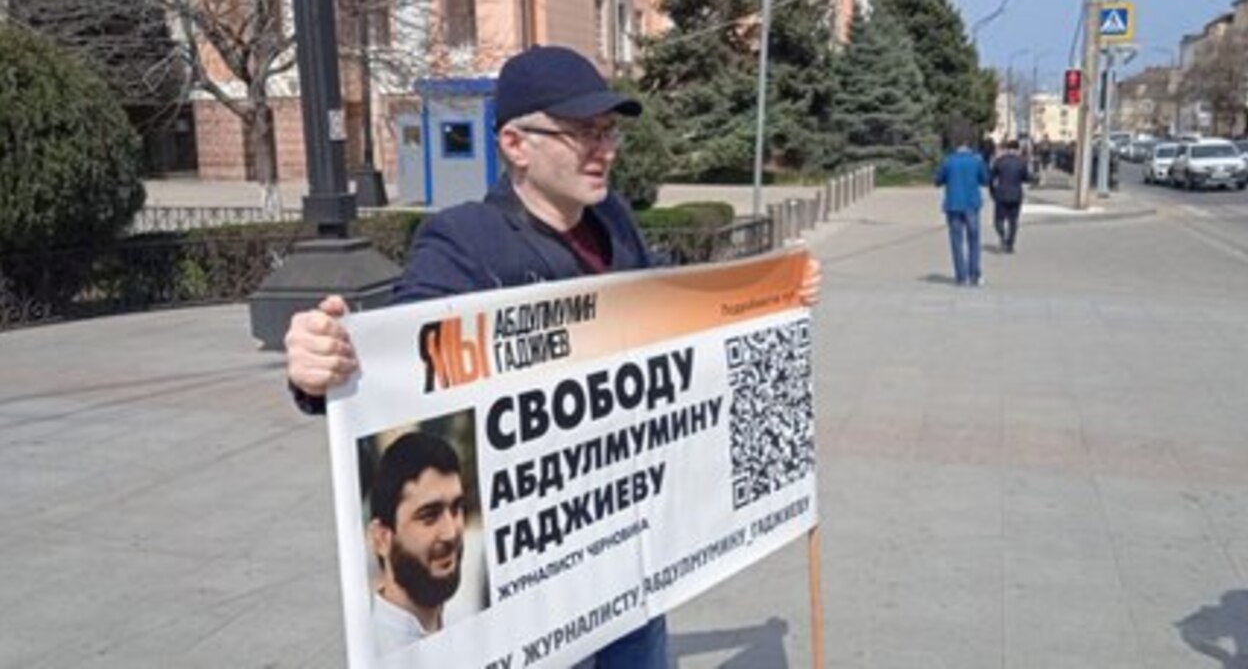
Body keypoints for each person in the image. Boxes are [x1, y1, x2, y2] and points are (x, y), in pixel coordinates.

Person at [284, 45, 823, 668]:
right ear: (516, 144)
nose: (606, 149)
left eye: (609, 130)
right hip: (543, 594)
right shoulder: (464, 241)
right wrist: (321, 365)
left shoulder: (613, 220)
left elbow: (670, 312)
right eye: (581, 133)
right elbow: (406, 357)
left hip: (632, 562)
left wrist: (775, 299)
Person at [369, 431, 467, 655]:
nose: (450, 533)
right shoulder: (368, 649)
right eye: (429, 516)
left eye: (456, 508)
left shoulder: (472, 621)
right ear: (382, 538)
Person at [935, 132, 990, 286]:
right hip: (972, 204)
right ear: (968, 144)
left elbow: (937, 180)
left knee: (956, 241)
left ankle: (961, 276)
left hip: (953, 205)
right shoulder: (976, 160)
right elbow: (985, 180)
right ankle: (975, 275)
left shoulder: (948, 161)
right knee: (974, 240)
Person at [989, 139, 1030, 254]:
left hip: (1001, 194)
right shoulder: (1022, 162)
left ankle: (1002, 235)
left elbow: (991, 178)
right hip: (1016, 194)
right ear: (1017, 149)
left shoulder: (999, 161)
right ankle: (1010, 244)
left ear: (1006, 149)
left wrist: (992, 192)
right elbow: (1026, 178)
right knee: (1013, 221)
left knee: (998, 219)